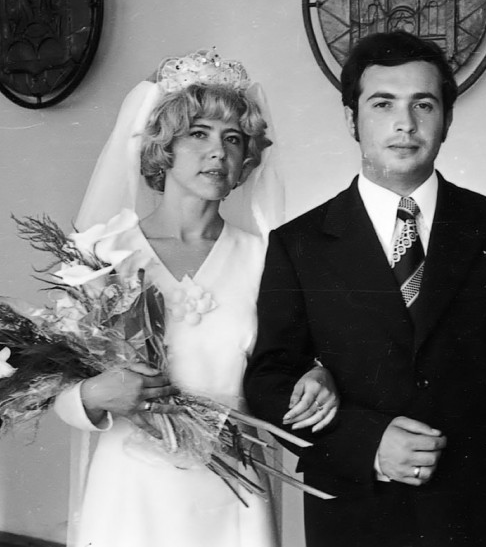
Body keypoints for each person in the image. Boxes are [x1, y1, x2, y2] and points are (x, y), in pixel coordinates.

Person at [244, 31, 486, 547]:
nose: (405, 123)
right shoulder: (299, 243)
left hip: (478, 520)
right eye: (382, 104)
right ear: (351, 119)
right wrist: (367, 441)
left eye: (424, 104)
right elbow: (269, 381)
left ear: (447, 119)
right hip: (352, 519)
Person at [53, 50, 339, 547]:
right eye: (198, 134)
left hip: (232, 491)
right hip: (131, 492)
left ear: (246, 158)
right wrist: (94, 395)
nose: (218, 152)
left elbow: (290, 363)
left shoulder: (265, 258)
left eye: (233, 139)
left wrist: (318, 373)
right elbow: (53, 382)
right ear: (163, 145)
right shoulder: (103, 253)